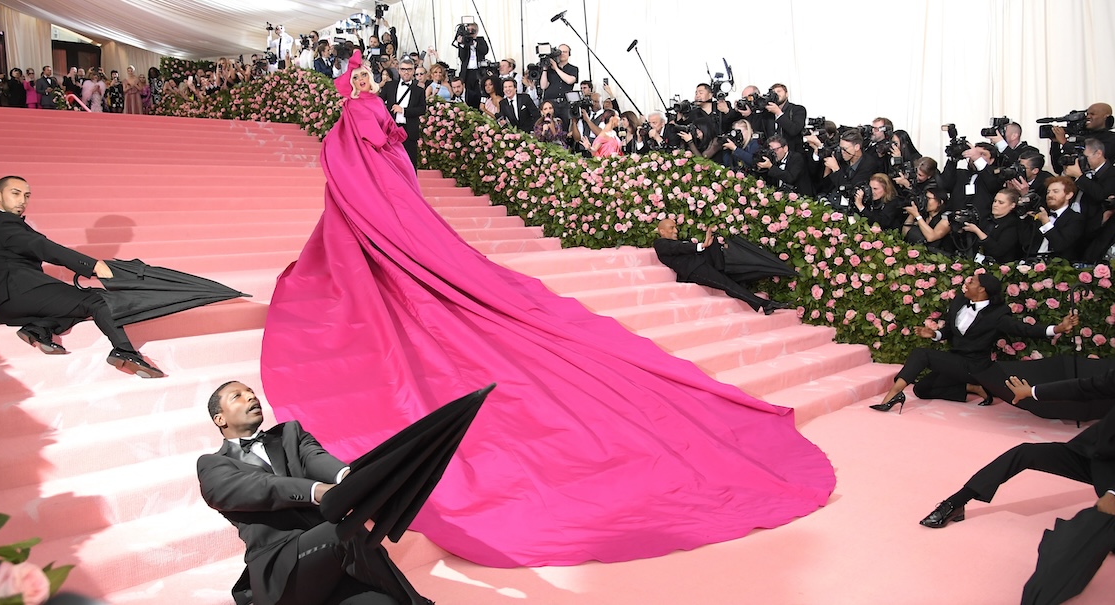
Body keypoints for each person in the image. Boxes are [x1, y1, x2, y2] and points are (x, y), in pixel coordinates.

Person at [259, 49, 835, 568]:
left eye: (365, 74)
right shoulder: (361, 112)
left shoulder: (353, 121)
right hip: (390, 214)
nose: (367, 80)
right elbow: (383, 159)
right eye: (357, 76)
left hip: (387, 214)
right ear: (347, 85)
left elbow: (376, 165)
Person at [196, 381, 431, 605]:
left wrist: (351, 481)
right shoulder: (213, 465)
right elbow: (263, 486)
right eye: (238, 396)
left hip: (330, 568)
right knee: (341, 530)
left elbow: (316, 458)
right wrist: (318, 491)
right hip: (283, 576)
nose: (251, 396)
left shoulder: (290, 433)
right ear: (220, 419)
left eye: (251, 392)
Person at [919, 371, 1115, 563]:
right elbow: (1086, 386)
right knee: (1025, 452)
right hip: (1092, 452)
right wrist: (1032, 392)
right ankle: (956, 503)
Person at [0, 176, 164, 378]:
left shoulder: (4, 224)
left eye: (27, 195)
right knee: (98, 300)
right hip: (19, 293)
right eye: (15, 193)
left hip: (10, 300)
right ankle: (125, 351)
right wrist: (92, 265)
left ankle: (38, 329)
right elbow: (42, 247)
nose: (22, 200)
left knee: (81, 300)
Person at [871, 273, 1076, 412]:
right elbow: (950, 331)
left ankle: (892, 397)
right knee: (921, 390)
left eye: (972, 282)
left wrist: (1057, 329)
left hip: (975, 365)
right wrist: (934, 335)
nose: (966, 284)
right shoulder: (960, 300)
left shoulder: (997, 314)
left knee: (921, 354)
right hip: (956, 361)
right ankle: (974, 388)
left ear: (982, 290)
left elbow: (1023, 329)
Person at [653, 219, 790, 315]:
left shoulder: (674, 242)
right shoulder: (661, 244)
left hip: (702, 263)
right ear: (662, 231)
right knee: (727, 284)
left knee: (715, 243)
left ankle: (724, 270)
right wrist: (701, 245)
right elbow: (678, 248)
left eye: (675, 227)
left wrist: (707, 244)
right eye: (671, 228)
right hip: (695, 270)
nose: (675, 230)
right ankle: (765, 305)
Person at [1023, 176, 1085, 262]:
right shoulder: (1041, 214)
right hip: (1031, 262)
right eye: (1048, 192)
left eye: (1055, 191)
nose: (1050, 195)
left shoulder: (1075, 218)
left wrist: (1046, 223)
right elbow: (1025, 244)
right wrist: (1023, 216)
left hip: (1057, 267)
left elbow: (1060, 245)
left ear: (1069, 195)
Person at [380, 59, 426, 168]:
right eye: (403, 69)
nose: (406, 72)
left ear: (413, 71)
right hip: (392, 130)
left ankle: (411, 185)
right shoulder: (390, 86)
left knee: (410, 163)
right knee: (390, 162)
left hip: (409, 131)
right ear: (399, 71)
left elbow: (422, 109)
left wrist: (404, 111)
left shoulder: (418, 90)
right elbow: (379, 102)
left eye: (409, 69)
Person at [962, 188, 1024, 264]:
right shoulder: (987, 218)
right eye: (995, 201)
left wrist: (977, 231)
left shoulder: (1012, 224)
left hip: (1001, 267)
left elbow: (998, 251)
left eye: (1001, 203)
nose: (995, 205)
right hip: (979, 262)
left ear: (1012, 205)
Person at [902, 187, 954, 256]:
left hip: (938, 257)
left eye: (928, 199)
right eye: (924, 198)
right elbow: (905, 233)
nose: (925, 201)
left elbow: (931, 237)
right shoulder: (923, 215)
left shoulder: (946, 219)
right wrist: (913, 214)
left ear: (940, 202)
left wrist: (917, 215)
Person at [453, 21, 488, 107]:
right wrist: (461, 45)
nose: (470, 32)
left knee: (479, 91)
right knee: (467, 92)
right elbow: (462, 58)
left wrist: (474, 43)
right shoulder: (465, 41)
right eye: (468, 30)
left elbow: (485, 50)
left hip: (478, 71)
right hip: (467, 72)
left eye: (473, 30)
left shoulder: (481, 40)